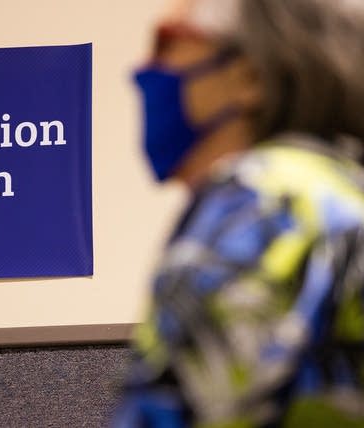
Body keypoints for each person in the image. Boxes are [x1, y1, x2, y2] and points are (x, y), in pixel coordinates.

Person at [115, 0, 364, 426]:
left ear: (248, 75)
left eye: (168, 47)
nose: (144, 71)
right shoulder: (342, 188)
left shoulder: (261, 203)